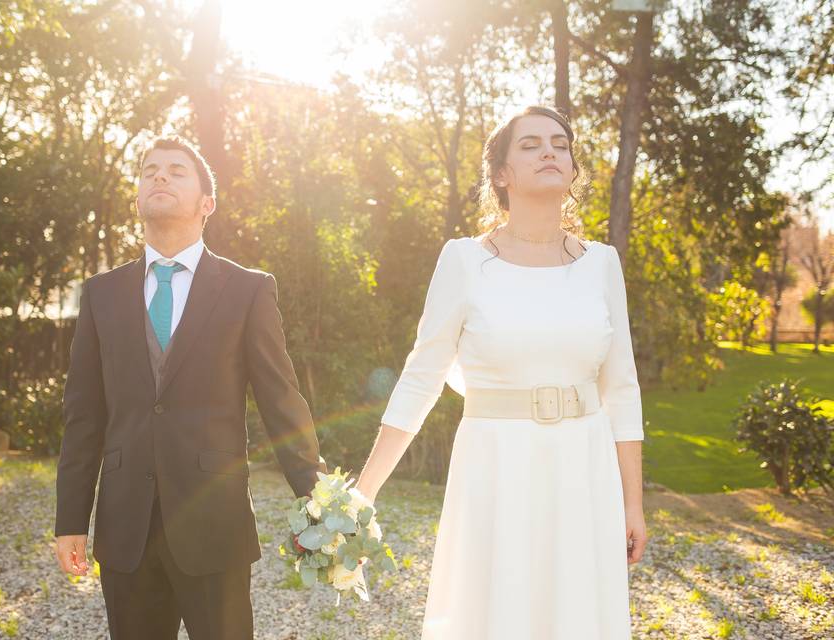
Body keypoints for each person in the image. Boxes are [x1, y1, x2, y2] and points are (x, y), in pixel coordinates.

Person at [354, 106, 648, 639]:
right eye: (531, 144)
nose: (550, 152)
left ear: (572, 166)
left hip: (584, 469)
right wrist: (364, 492)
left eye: (560, 143)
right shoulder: (464, 260)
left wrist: (633, 503)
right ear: (501, 174)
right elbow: (421, 376)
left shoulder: (602, 263)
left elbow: (622, 389)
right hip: (496, 466)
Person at [52, 135, 326, 640]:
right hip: (124, 527)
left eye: (177, 171)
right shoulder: (101, 294)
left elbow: (280, 398)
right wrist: (70, 517)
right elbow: (84, 413)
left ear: (207, 203)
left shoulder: (248, 289)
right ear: (137, 198)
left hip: (214, 523)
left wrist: (319, 501)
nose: (159, 176)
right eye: (150, 169)